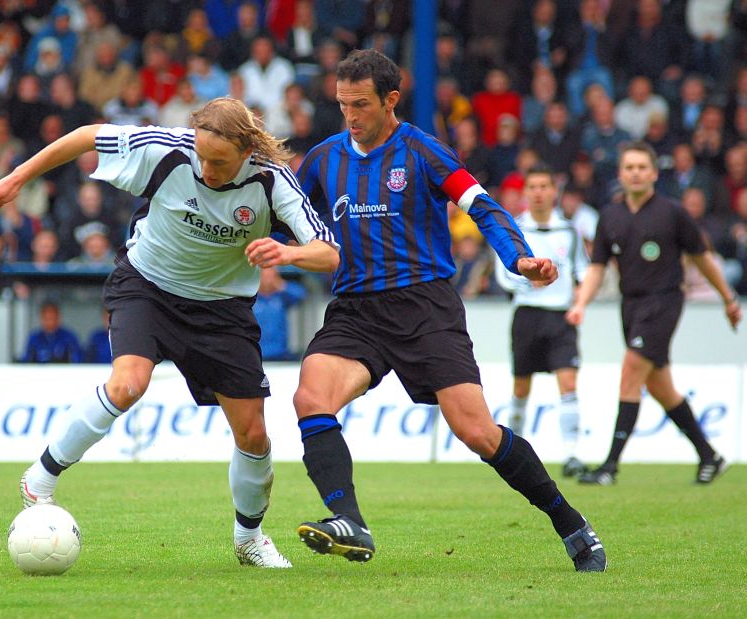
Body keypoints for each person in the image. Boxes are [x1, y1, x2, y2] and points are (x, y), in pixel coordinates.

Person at [0, 97, 339, 568]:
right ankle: (40, 478)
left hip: (222, 311)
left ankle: (249, 539)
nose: (207, 170)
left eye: (219, 162)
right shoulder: (167, 149)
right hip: (147, 287)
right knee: (128, 383)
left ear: (246, 151)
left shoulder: (272, 181)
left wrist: (288, 254)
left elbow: (329, 252)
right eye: (202, 156)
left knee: (253, 434)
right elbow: (86, 136)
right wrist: (17, 178)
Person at [292, 49, 606, 572]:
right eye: (343, 104)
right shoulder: (324, 159)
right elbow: (288, 217)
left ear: (391, 100)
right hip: (355, 308)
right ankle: (348, 521)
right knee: (310, 397)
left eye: (361, 104)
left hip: (424, 307)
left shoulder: (423, 151)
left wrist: (518, 258)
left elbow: (482, 207)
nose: (350, 115)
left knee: (477, 432)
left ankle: (570, 522)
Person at [566, 142, 743, 485]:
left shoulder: (673, 213)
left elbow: (702, 258)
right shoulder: (610, 216)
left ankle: (609, 467)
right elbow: (598, 266)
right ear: (620, 174)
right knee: (661, 388)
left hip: (664, 301)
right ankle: (709, 455)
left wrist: (728, 299)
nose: (635, 173)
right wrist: (580, 303)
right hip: (630, 305)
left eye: (641, 167)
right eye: (629, 167)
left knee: (631, 371)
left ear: (654, 173)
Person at [495, 164, 589, 478]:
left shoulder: (569, 231)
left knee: (568, 383)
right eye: (532, 187)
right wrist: (528, 281)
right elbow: (503, 275)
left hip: (561, 317)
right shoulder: (514, 229)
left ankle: (571, 455)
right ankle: (513, 455)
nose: (538, 193)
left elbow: (583, 271)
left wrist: (581, 300)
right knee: (521, 387)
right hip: (527, 315)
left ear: (554, 191)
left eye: (543, 187)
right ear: (525, 192)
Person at [253, 266, 307, 361]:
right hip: (256, 353)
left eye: (271, 276)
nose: (267, 280)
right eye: (264, 276)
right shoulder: (251, 299)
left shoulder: (281, 296)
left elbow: (301, 295)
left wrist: (281, 285)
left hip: (280, 353)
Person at [20, 300, 84, 364]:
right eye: (47, 318)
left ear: (58, 317)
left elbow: (77, 360)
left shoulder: (69, 337)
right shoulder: (34, 338)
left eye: (52, 317)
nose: (50, 322)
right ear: (41, 318)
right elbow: (26, 361)